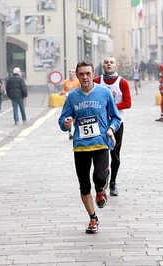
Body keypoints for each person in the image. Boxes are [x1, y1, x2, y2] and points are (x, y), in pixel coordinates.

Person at [58, 60, 121, 234]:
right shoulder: (72, 96)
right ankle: (93, 218)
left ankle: (100, 190)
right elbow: (62, 122)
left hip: (101, 143)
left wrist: (110, 129)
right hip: (80, 147)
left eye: (88, 73)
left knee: (99, 178)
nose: (85, 77)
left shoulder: (104, 93)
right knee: (84, 186)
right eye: (81, 74)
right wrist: (66, 122)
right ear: (77, 76)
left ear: (94, 74)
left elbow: (116, 118)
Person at [94, 56, 132, 196]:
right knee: (100, 153)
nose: (109, 64)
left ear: (116, 67)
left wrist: (111, 106)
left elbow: (128, 103)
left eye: (112, 62)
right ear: (103, 66)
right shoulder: (96, 81)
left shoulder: (123, 82)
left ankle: (113, 182)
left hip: (117, 123)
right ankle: (102, 180)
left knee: (114, 155)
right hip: (100, 123)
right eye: (106, 62)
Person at [60, 68, 81, 140]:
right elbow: (64, 89)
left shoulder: (78, 81)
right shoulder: (66, 81)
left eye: (72, 72)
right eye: (70, 71)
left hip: (76, 102)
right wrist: (62, 92)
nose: (71, 73)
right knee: (68, 117)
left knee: (75, 119)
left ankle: (77, 130)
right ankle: (70, 133)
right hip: (68, 102)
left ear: (75, 73)